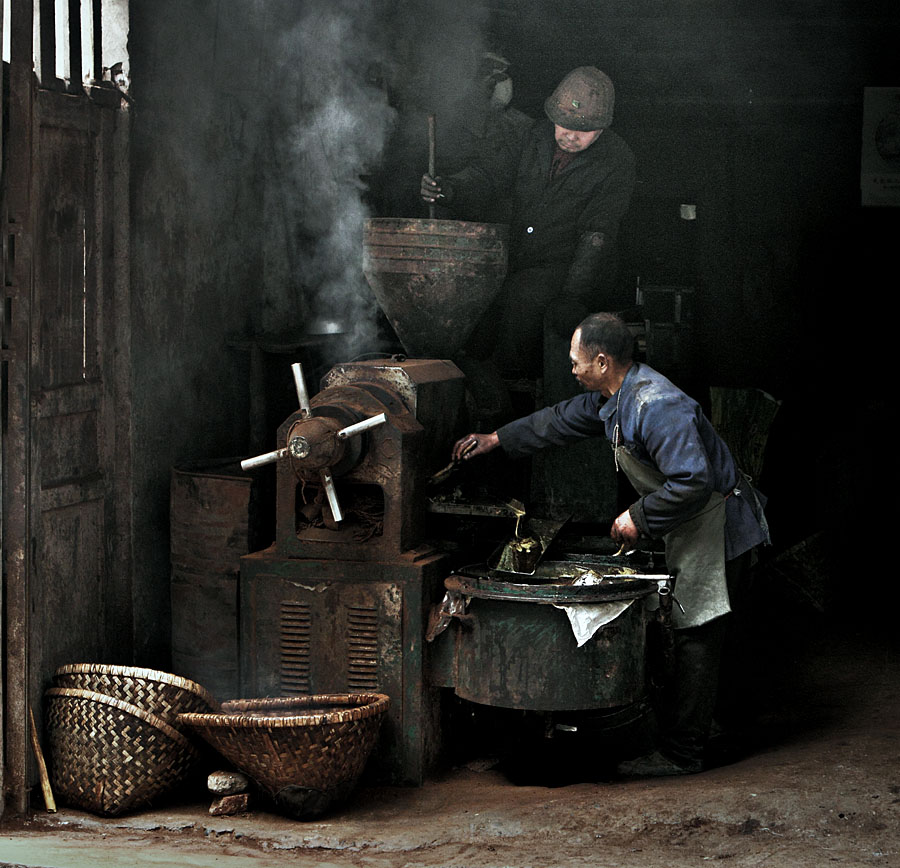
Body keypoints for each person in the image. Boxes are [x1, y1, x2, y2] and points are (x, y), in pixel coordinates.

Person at [450, 312, 770, 777]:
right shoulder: (613, 397)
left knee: (697, 635)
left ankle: (684, 752)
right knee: (694, 634)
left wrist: (637, 516)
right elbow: (560, 419)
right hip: (693, 525)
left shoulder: (656, 404)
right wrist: (497, 439)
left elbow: (693, 480)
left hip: (722, 526)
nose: (572, 369)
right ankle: (705, 730)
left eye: (576, 361)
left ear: (602, 361)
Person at [421, 66, 635, 388]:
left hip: (570, 266)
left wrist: (574, 295)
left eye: (584, 130)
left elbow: (597, 234)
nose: (570, 135)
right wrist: (451, 188)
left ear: (603, 128)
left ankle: (514, 384)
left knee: (525, 298)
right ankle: (474, 377)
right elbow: (491, 176)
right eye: (564, 125)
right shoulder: (533, 137)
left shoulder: (617, 161)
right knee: (479, 294)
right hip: (523, 258)